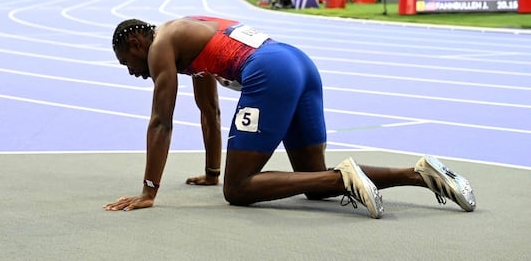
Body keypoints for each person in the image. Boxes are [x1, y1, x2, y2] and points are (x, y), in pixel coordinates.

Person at [104, 16, 476, 218]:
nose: (132, 71)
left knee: (239, 190)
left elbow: (161, 121)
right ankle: (420, 173)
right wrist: (212, 173)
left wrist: (148, 191)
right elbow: (209, 112)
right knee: (315, 181)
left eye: (127, 62)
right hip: (298, 63)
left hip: (270, 71)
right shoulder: (186, 39)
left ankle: (346, 177)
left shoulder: (161, 46)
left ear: (136, 44)